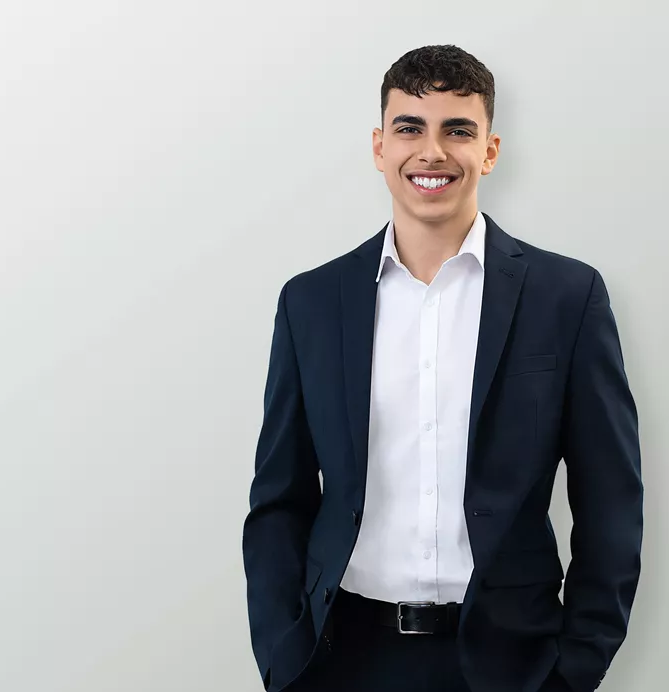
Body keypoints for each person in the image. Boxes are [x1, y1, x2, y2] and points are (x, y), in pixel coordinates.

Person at [242, 44, 643, 692]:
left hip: (513, 663)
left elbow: (610, 501)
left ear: (490, 149)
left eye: (457, 130)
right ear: (380, 147)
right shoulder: (311, 303)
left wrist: (575, 669)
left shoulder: (567, 298)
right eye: (410, 128)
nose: (432, 152)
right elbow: (279, 498)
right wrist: (283, 655)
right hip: (342, 658)